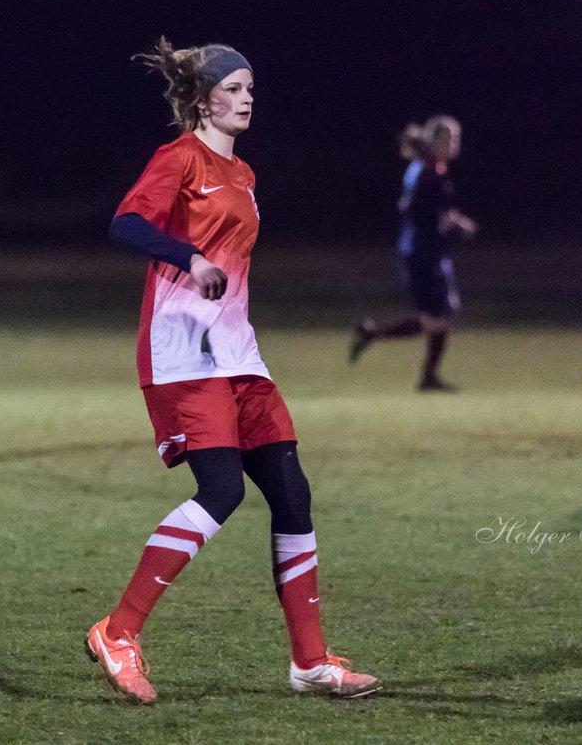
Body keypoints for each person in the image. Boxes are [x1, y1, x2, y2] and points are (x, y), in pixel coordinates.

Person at [85, 37, 380, 704]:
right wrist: (190, 260)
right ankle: (118, 631)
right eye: (235, 88)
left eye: (252, 89)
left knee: (292, 494)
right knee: (222, 492)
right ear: (202, 96)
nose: (248, 99)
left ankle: (309, 662)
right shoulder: (179, 158)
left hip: (238, 353)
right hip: (183, 352)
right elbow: (126, 225)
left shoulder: (243, 175)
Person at [349, 114, 477, 390]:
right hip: (422, 252)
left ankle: (419, 370)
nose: (456, 143)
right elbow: (413, 207)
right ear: (436, 141)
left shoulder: (430, 169)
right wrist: (445, 221)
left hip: (428, 250)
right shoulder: (427, 171)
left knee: (437, 318)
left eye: (457, 137)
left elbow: (433, 208)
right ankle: (418, 369)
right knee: (436, 319)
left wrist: (452, 220)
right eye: (451, 138)